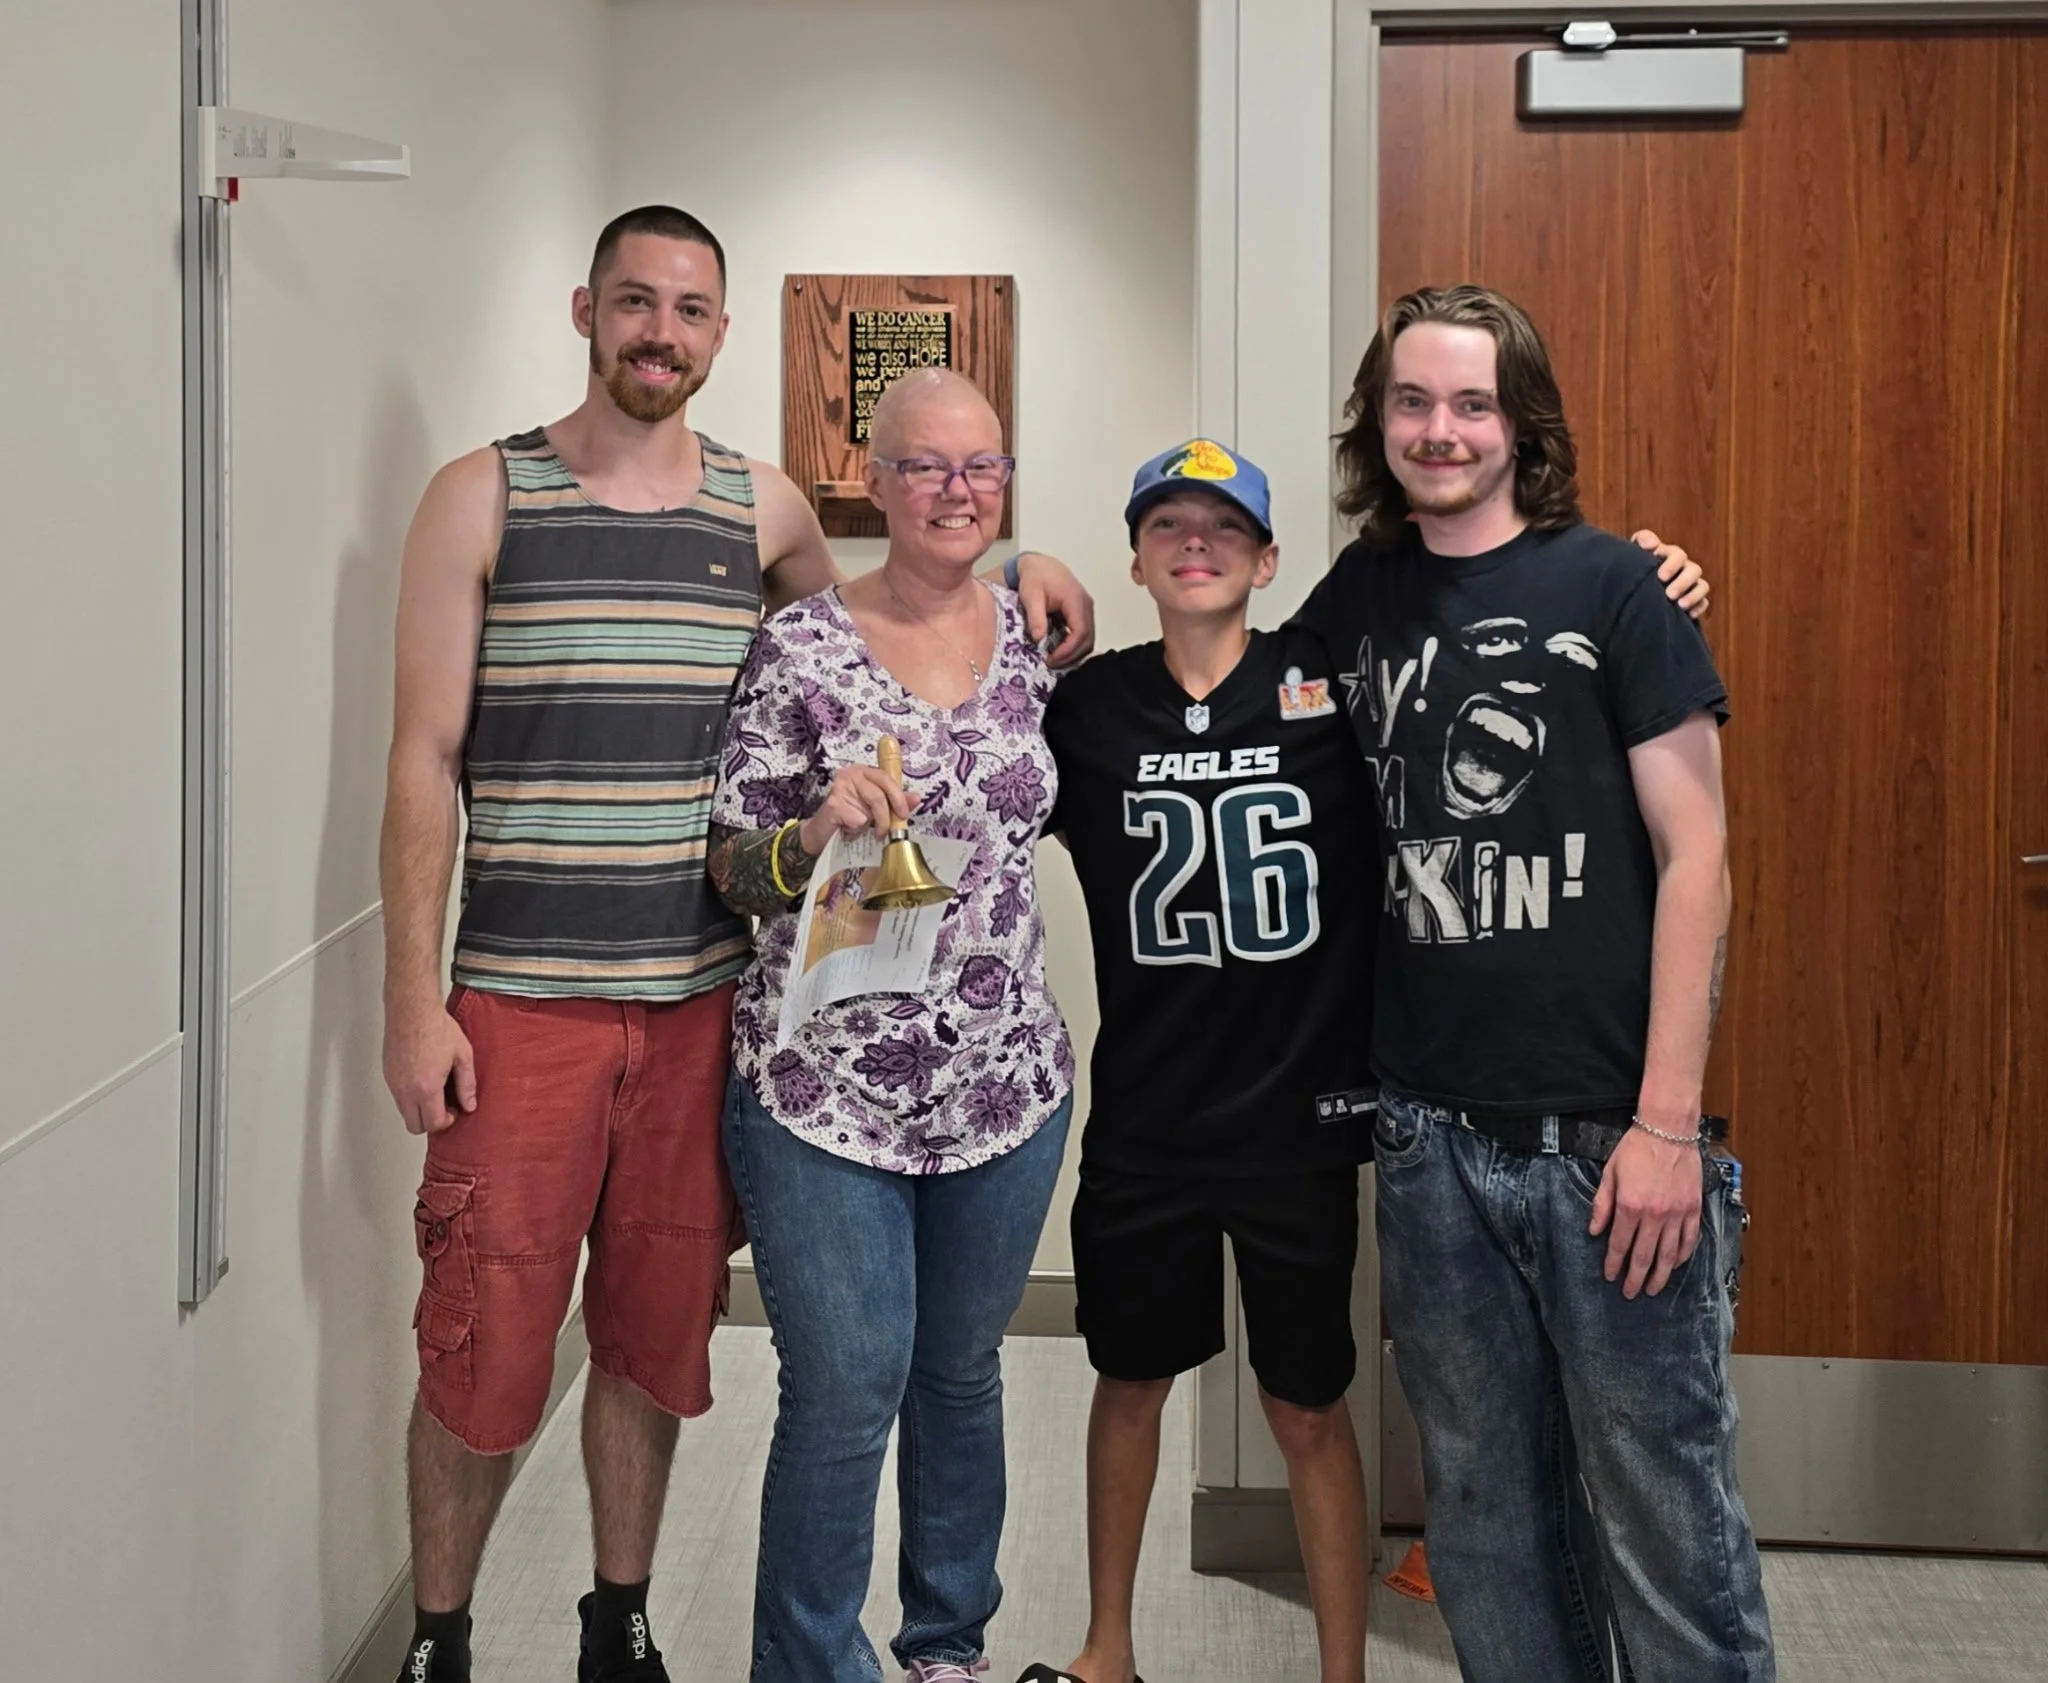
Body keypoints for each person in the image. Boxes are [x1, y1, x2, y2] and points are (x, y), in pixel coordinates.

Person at [379, 209, 1091, 1683]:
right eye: (637, 302)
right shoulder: (485, 496)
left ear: (718, 331)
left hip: (738, 1011)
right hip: (558, 1004)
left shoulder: (764, 513)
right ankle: (440, 1638)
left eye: (691, 309)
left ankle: (630, 1624)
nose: (663, 331)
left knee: (660, 1340)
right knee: (493, 1342)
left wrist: (1035, 558)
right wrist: (409, 997)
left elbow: (931, 581)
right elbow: (424, 757)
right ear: (587, 309)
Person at [1292, 284, 1773, 1680]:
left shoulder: (1617, 588)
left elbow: (1698, 857)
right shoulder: (1356, 598)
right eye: (1411, 402)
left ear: (1521, 425)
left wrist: (1665, 1126)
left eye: (1472, 403)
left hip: (1608, 1146)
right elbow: (1224, 676)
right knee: (1485, 1522)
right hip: (1428, 1138)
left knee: (1665, 1523)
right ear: (1377, 421)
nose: (1439, 430)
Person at [706, 368, 1075, 1683]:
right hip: (825, 1093)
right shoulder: (800, 646)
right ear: (874, 481)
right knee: (848, 1384)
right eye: (926, 465)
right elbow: (730, 867)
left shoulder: (1036, 634)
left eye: (981, 466)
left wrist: (1041, 566)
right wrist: (811, 832)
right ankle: (810, 1664)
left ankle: (945, 1649)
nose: (956, 490)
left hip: (1004, 1084)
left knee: (961, 1372)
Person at [1017, 441, 1381, 1683]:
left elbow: (1444, 602)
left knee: (1306, 1403)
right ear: (1134, 560)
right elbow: (955, 685)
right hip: (1149, 1117)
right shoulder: (1088, 709)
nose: (1194, 543)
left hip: (1296, 1118)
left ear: (1265, 561)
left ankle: (1343, 1672)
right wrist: (1019, 566)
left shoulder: (1326, 683)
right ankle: (1106, 1651)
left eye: (1222, 527)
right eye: (1166, 524)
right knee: (1127, 1381)